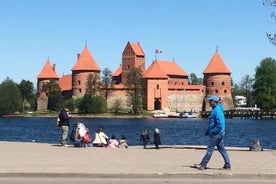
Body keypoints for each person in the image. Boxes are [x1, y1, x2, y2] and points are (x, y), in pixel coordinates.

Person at [195, 95, 231, 170]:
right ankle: (227, 165)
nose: (209, 102)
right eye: (209, 101)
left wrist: (213, 132)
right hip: (219, 133)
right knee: (222, 149)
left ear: (214, 102)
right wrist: (208, 131)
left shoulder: (217, 110)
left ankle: (203, 165)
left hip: (216, 134)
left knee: (210, 149)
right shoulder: (216, 109)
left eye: (210, 101)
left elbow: (220, 124)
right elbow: (213, 123)